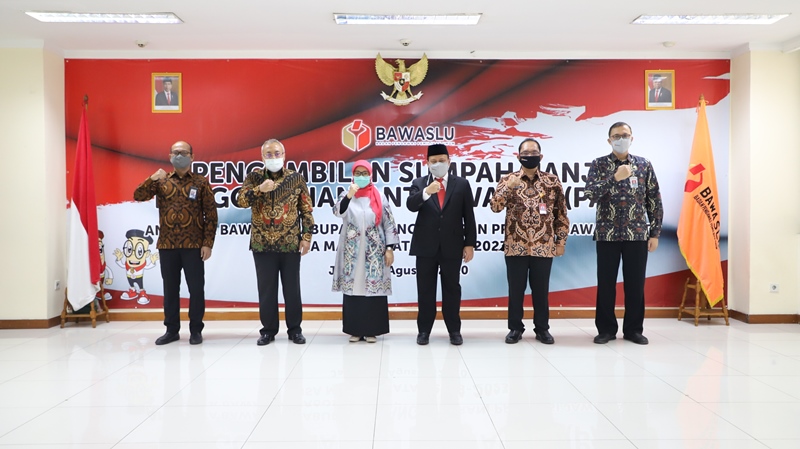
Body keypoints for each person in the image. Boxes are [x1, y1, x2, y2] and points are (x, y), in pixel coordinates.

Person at [585, 122, 663, 345]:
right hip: (607, 234)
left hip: (636, 234)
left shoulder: (643, 165)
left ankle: (633, 330)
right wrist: (615, 178)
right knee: (606, 284)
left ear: (632, 138)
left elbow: (654, 200)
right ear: (609, 140)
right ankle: (606, 330)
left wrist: (655, 232)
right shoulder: (599, 164)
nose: (621, 139)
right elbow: (590, 194)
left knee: (635, 285)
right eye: (616, 136)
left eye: (625, 135)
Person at [133, 141, 218, 345]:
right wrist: (152, 178)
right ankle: (171, 330)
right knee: (170, 289)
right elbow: (138, 195)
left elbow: (211, 215)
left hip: (194, 246)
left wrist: (208, 243)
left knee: (196, 289)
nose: (180, 156)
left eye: (184, 152)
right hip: (167, 245)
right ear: (170, 156)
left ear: (192, 156)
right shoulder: (161, 181)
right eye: (176, 152)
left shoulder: (201, 182)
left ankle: (196, 330)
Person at [490, 138, 570, 345]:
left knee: (541, 291)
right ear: (518, 156)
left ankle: (542, 329)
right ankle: (515, 328)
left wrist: (561, 241)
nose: (529, 156)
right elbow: (495, 207)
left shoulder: (552, 181)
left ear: (540, 156)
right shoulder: (508, 179)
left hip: (543, 245)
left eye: (533, 152)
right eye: (525, 153)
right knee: (515, 290)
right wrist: (508, 188)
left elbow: (561, 214)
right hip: (515, 245)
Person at [237, 139, 314, 346]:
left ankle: (295, 330)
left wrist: (307, 237)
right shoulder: (254, 177)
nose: (273, 157)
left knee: (292, 289)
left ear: (284, 155)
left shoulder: (296, 178)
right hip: (262, 244)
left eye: (277, 153)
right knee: (267, 290)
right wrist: (259, 190)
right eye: (269, 154)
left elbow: (306, 209)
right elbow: (240, 201)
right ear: (262, 157)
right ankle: (268, 331)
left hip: (290, 243)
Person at [406, 143, 477, 345]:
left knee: (452, 289)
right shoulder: (419, 183)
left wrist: (469, 243)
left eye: (442, 160)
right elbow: (411, 205)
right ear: (427, 163)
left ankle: (454, 330)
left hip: (452, 245)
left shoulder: (461, 184)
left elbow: (469, 216)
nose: (438, 164)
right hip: (425, 246)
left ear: (449, 161)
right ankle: (424, 331)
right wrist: (426, 192)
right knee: (425, 290)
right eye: (434, 161)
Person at [331, 160, 400, 343]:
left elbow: (389, 224)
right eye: (358, 173)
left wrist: (390, 249)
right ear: (353, 175)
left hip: (374, 252)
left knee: (373, 289)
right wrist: (349, 195)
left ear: (370, 175)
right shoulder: (346, 195)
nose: (361, 177)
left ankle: (372, 330)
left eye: (364, 173)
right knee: (354, 289)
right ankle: (355, 330)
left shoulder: (380, 196)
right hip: (351, 252)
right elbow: (337, 212)